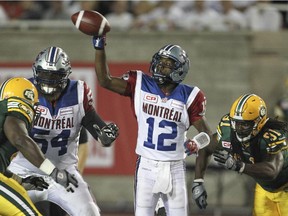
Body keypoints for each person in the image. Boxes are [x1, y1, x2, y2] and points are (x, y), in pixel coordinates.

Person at [92, 34, 213, 215]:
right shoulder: (140, 83)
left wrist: (195, 146)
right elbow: (104, 80)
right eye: (160, 62)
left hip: (175, 167)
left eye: (167, 64)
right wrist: (99, 47)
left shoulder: (190, 96)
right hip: (146, 165)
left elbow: (208, 136)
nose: (160, 67)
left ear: (179, 70)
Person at [8, 46, 119, 216]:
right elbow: (20, 139)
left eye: (54, 75)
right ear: (36, 72)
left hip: (64, 173)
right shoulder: (25, 91)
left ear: (65, 75)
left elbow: (98, 130)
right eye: (44, 73)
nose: (49, 80)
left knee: (90, 212)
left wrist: (105, 136)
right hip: (24, 172)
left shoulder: (78, 93)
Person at [194, 93, 288, 216]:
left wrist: (239, 165)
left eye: (245, 124)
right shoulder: (228, 130)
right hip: (263, 188)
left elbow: (272, 171)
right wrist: (198, 181)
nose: (239, 128)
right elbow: (206, 147)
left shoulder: (271, 136)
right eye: (236, 122)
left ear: (259, 122)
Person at [0, 77, 78, 216]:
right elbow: (20, 139)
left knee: (21, 193)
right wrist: (53, 172)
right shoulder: (14, 107)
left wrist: (21, 181)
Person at [35, 127, 89, 215]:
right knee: (39, 211)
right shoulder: (33, 115)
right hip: (38, 176)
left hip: (62, 177)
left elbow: (83, 145)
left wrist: (75, 175)